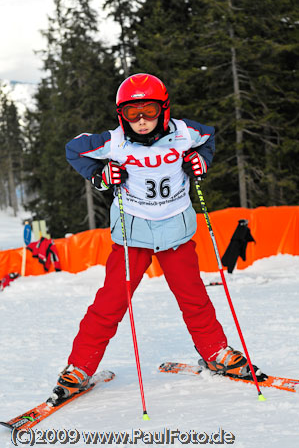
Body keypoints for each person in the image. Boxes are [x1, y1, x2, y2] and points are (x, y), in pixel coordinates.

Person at [51, 73, 260, 401]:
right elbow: (74, 150)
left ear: (164, 109)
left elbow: (209, 138)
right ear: (122, 115)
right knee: (110, 304)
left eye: (149, 110)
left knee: (194, 298)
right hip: (133, 235)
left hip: (176, 233)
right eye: (132, 113)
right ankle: (79, 367)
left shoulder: (185, 133)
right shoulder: (114, 140)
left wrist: (200, 162)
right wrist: (101, 175)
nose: (142, 121)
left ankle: (216, 352)